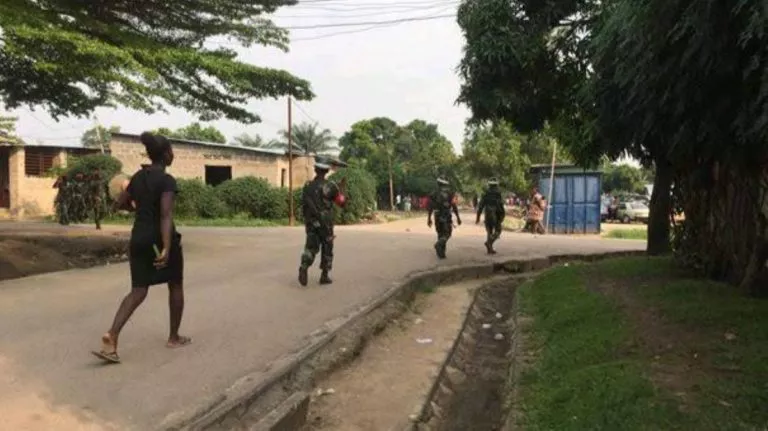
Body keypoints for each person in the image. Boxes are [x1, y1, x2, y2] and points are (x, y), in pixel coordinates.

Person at [92, 132, 189, 363]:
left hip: (138, 238)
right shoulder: (167, 181)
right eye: (171, 151)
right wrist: (166, 247)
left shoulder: (137, 178)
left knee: (138, 290)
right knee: (175, 283)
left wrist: (137, 206)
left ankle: (112, 335)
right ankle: (174, 337)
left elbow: (119, 204)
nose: (172, 154)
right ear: (166, 155)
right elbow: (165, 215)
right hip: (159, 239)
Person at [298, 156, 345, 286]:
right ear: (327, 171)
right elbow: (341, 203)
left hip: (311, 221)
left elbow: (304, 204)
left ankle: (304, 266)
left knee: (311, 246)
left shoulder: (308, 186)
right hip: (326, 222)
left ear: (315, 169)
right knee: (327, 247)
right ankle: (324, 276)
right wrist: (341, 190)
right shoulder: (331, 186)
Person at [427, 176, 461, 259]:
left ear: (438, 183)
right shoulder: (450, 193)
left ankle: (441, 253)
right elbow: (454, 206)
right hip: (446, 215)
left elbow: (430, 206)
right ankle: (439, 245)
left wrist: (429, 218)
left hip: (437, 214)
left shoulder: (434, 193)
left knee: (440, 233)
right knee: (447, 233)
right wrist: (458, 217)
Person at [475, 178, 505, 254]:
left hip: (487, 214)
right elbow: (500, 205)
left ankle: (489, 249)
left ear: (489, 184)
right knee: (498, 230)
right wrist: (502, 215)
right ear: (496, 185)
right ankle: (489, 242)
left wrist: (478, 217)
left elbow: (480, 206)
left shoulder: (485, 193)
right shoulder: (498, 193)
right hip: (495, 214)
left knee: (489, 231)